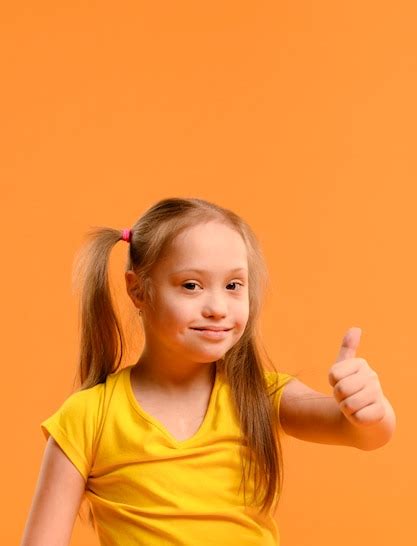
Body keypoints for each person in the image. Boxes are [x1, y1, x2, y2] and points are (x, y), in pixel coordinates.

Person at [20, 197, 396, 546]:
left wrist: (368, 411)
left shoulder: (260, 397)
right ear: (138, 291)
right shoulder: (87, 417)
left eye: (234, 285)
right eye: (191, 285)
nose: (217, 307)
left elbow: (363, 435)